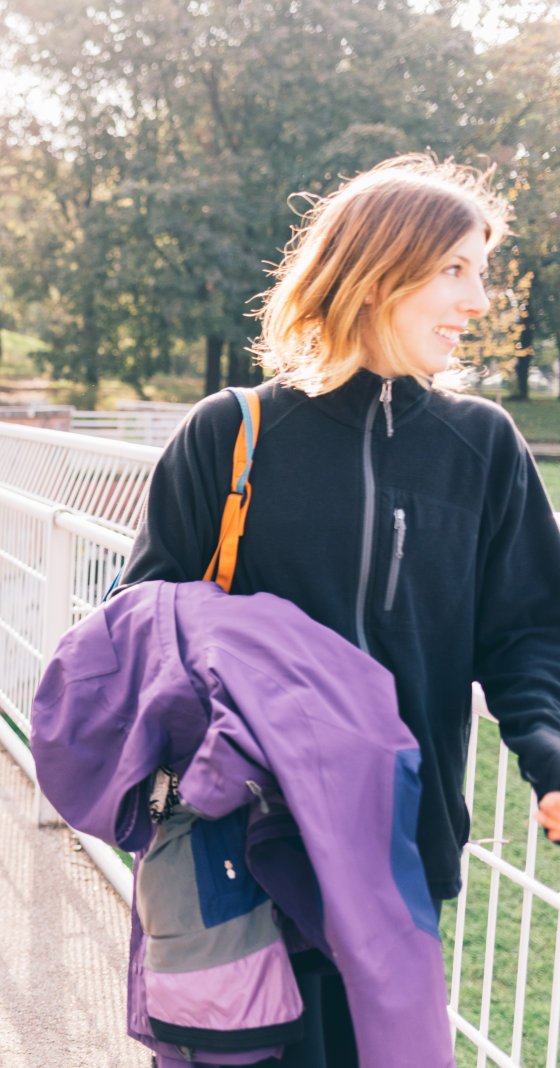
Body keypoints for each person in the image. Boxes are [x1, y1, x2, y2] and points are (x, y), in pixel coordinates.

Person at [119, 154, 560, 1066]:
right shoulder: (229, 432)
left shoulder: (481, 445)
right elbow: (141, 626)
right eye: (456, 270)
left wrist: (549, 759)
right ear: (376, 271)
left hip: (402, 856)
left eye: (481, 273)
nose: (479, 302)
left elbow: (526, 633)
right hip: (243, 852)